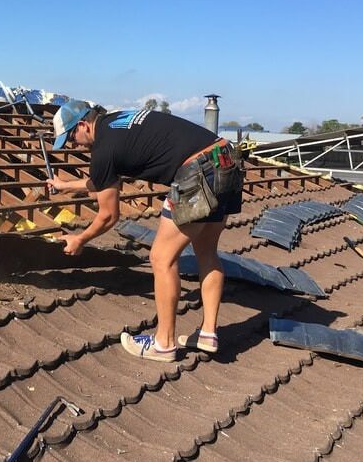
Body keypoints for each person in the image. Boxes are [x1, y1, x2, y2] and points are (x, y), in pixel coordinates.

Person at [47, 100, 243, 362]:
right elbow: (102, 180)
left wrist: (80, 238)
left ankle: (164, 344)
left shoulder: (103, 149)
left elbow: (108, 215)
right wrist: (65, 186)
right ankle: (208, 333)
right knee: (206, 251)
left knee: (161, 258)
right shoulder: (115, 123)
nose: (73, 145)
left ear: (83, 125)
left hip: (197, 172)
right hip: (225, 159)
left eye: (71, 137)